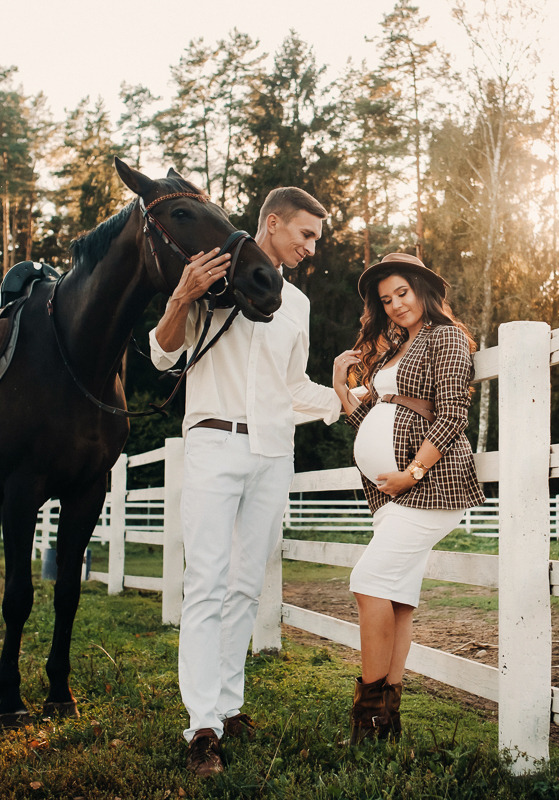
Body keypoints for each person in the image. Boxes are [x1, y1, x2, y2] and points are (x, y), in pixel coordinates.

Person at [150, 187, 341, 778]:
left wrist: (347, 396)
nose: (311, 247)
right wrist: (183, 295)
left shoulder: (300, 305)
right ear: (273, 223)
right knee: (206, 584)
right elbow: (162, 356)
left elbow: (291, 388)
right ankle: (200, 727)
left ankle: (228, 707)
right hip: (212, 442)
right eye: (305, 234)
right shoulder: (212, 273)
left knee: (244, 588)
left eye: (315, 238)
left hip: (271, 454)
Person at [331, 253, 484, 744]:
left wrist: (412, 472)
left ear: (423, 289)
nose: (396, 304)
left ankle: (368, 717)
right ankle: (386, 723)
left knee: (368, 581)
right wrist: (341, 387)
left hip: (430, 486)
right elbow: (370, 420)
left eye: (403, 292)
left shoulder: (446, 338)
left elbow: (452, 414)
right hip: (391, 494)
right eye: (386, 299)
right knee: (395, 598)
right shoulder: (398, 348)